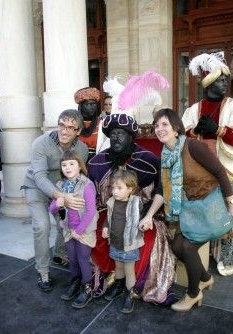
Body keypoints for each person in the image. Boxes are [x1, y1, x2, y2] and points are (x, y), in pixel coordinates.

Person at [140, 108, 233, 312]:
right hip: (188, 211)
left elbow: (221, 173)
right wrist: (149, 215)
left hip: (208, 208)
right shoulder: (166, 155)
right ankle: (204, 278)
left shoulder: (193, 146)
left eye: (164, 124)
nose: (159, 129)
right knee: (177, 245)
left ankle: (193, 293)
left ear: (177, 128)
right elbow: (162, 189)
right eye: (156, 125)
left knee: (185, 246)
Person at [182, 52, 233, 276]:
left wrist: (218, 130)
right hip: (200, 173)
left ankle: (229, 256)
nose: (225, 83)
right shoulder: (193, 110)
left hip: (226, 171)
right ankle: (206, 252)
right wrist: (195, 131)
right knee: (205, 214)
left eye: (226, 79)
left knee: (229, 214)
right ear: (208, 83)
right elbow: (182, 136)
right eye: (220, 79)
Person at [88, 113, 175, 304]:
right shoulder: (97, 162)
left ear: (131, 136)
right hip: (109, 214)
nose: (115, 137)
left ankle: (134, 285)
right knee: (96, 236)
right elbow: (93, 197)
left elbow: (161, 191)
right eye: (112, 133)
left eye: (121, 133)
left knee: (147, 240)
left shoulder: (149, 160)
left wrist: (148, 215)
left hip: (142, 215)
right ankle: (114, 279)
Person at [23, 109, 88, 292]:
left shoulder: (81, 150)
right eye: (61, 125)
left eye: (70, 127)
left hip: (61, 189)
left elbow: (77, 176)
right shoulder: (41, 143)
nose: (64, 131)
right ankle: (43, 271)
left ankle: (60, 254)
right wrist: (61, 197)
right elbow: (40, 177)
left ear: (78, 132)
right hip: (36, 188)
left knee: (66, 223)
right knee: (42, 226)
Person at [49, 150, 97, 309]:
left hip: (84, 231)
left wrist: (80, 230)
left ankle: (87, 287)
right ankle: (76, 281)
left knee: (83, 259)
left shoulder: (87, 185)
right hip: (68, 230)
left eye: (71, 164)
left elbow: (91, 212)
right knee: (72, 258)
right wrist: (58, 203)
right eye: (64, 164)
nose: (67, 167)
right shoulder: (60, 186)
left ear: (79, 166)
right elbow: (52, 209)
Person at [102, 170, 144, 313]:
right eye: (113, 187)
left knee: (129, 270)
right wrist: (105, 228)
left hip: (130, 245)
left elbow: (140, 219)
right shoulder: (112, 202)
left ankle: (129, 294)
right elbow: (108, 219)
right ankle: (119, 287)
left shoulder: (136, 203)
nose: (114, 191)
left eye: (119, 188)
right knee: (118, 267)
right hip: (115, 243)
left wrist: (145, 222)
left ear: (130, 189)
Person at [75, 87, 101, 159]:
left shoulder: (101, 124)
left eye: (94, 104)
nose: (92, 107)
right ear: (81, 106)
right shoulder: (73, 124)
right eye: (88, 104)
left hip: (97, 160)